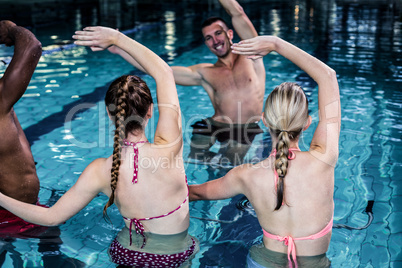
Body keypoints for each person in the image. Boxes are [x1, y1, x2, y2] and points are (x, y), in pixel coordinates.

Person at [0, 26, 198, 267]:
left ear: (108, 114)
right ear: (150, 111)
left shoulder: (100, 170)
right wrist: (117, 39)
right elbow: (163, 72)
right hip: (175, 256)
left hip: (130, 255)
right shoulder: (170, 146)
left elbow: (51, 218)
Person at [189, 35, 340, 268]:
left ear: (264, 122)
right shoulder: (323, 159)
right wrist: (276, 44)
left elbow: (195, 193)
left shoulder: (245, 175)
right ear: (308, 122)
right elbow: (328, 77)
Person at [107, 0, 266, 166]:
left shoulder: (252, 54)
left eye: (218, 33)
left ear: (230, 34)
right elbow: (157, 69)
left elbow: (237, 12)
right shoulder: (204, 73)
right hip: (214, 124)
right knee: (193, 160)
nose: (215, 41)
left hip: (244, 129)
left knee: (229, 165)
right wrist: (119, 48)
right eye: (208, 38)